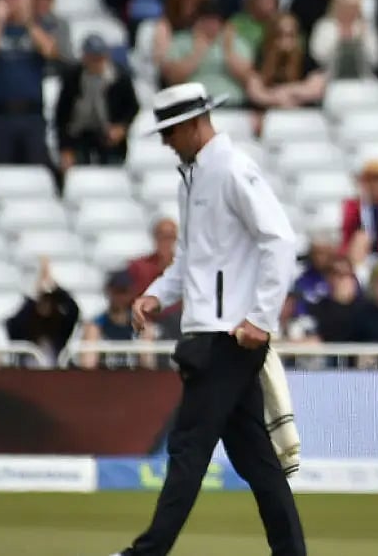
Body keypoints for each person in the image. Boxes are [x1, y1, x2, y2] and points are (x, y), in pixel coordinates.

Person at [112, 82, 306, 556]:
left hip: (228, 338)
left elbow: (279, 240)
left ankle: (148, 552)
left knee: (187, 450)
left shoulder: (233, 169)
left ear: (196, 123)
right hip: (213, 335)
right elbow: (189, 261)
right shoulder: (194, 175)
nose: (164, 141)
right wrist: (155, 296)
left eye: (170, 131)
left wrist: (260, 318)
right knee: (256, 460)